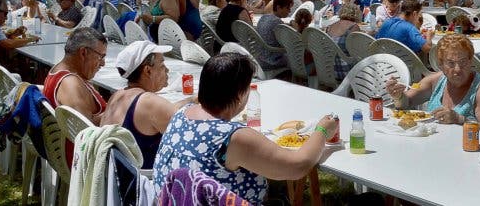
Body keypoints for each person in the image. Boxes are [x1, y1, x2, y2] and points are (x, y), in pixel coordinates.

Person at [152, 53, 338, 203]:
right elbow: (298, 165)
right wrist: (322, 130)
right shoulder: (233, 137)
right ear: (240, 95)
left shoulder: (180, 113)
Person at [100, 40, 193, 169]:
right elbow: (192, 135)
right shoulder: (149, 102)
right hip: (146, 181)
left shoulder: (117, 96)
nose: (167, 70)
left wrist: (189, 101)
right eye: (162, 65)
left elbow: (163, 112)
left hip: (117, 176)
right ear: (148, 71)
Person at [387, 34, 480, 129]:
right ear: (441, 65)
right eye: (451, 63)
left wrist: (460, 119)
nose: (457, 69)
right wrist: (398, 96)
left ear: (470, 61)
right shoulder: (435, 81)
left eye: (463, 62)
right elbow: (407, 102)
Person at [43, 27, 108, 125]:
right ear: (83, 53)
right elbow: (85, 129)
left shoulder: (59, 70)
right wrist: (115, 111)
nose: (103, 63)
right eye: (101, 57)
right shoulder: (70, 84)